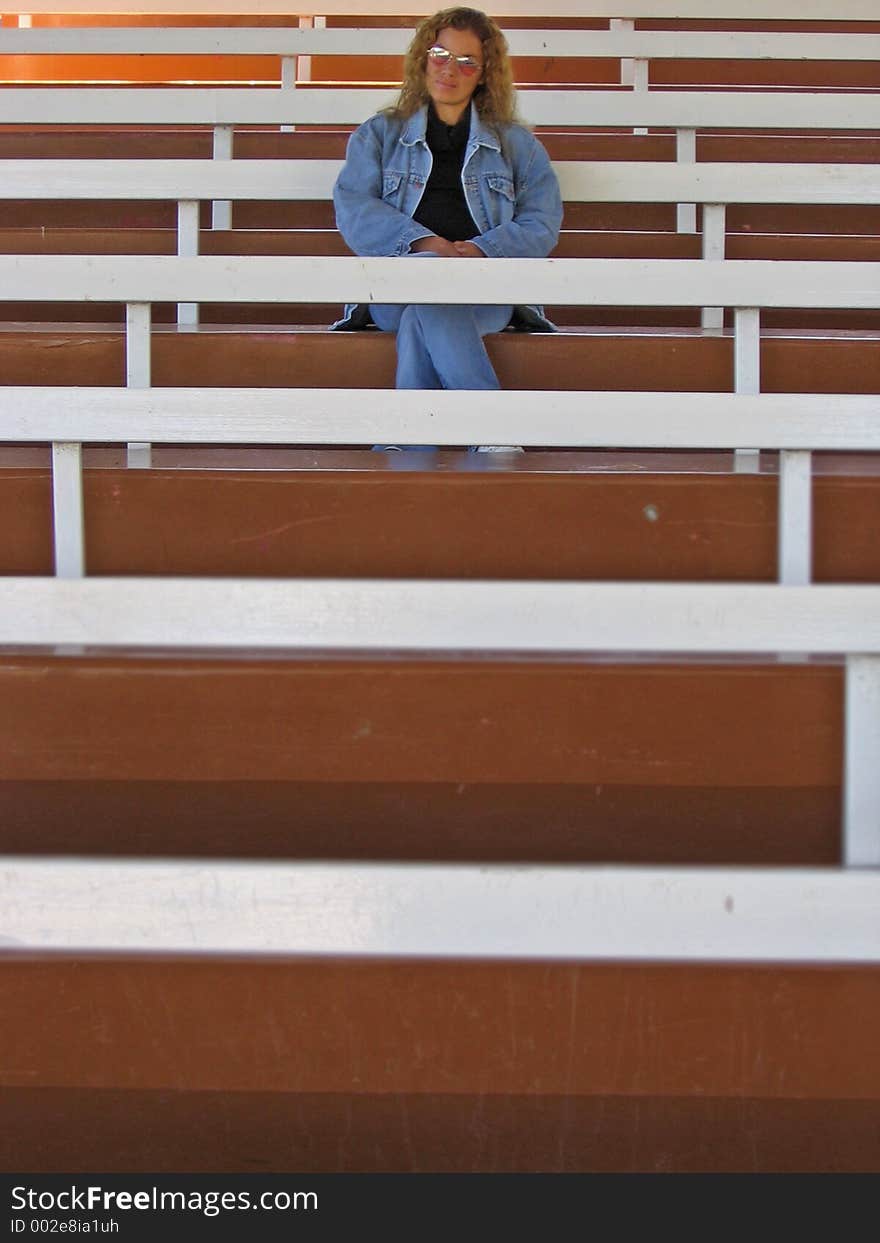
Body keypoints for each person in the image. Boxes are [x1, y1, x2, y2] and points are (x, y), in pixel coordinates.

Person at [331, 6, 563, 453]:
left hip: (484, 291)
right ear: (423, 58)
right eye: (440, 54)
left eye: (466, 61)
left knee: (428, 309)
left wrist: (479, 250)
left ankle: (409, 440)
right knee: (424, 289)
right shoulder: (379, 135)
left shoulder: (518, 146)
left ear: (484, 72)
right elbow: (354, 208)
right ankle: (492, 429)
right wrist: (424, 245)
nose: (449, 69)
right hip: (398, 287)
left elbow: (541, 223)